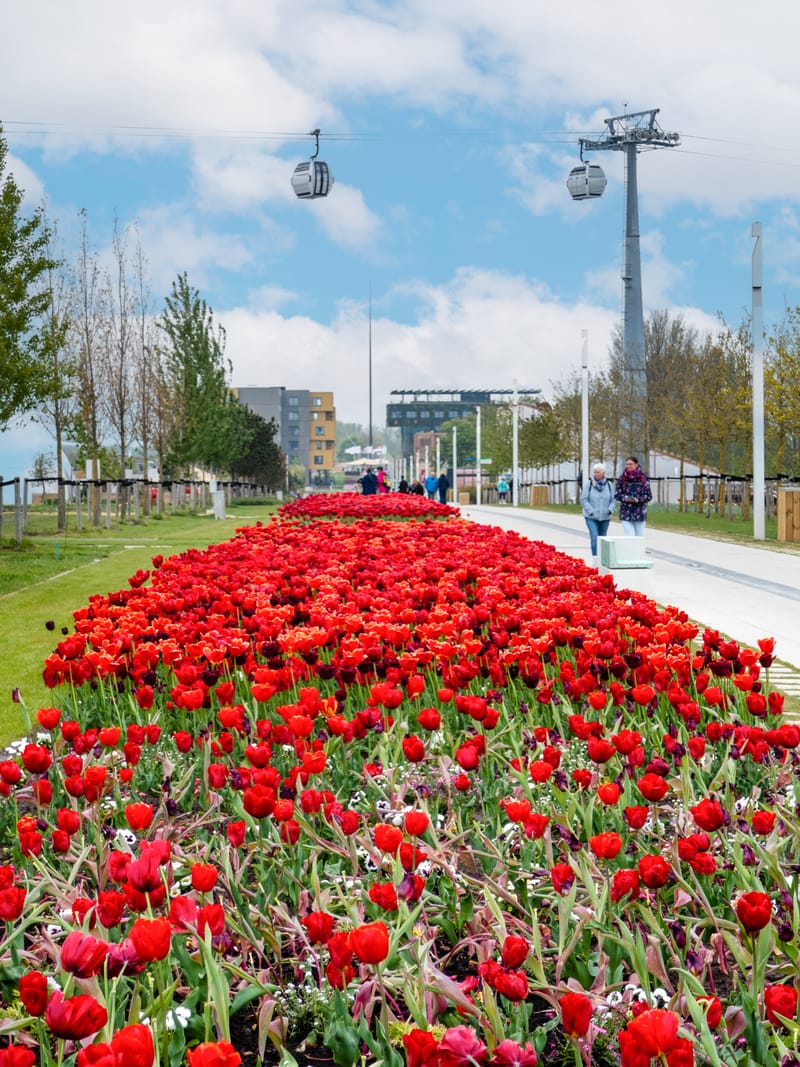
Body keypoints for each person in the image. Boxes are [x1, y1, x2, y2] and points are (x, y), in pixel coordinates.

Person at [580, 463, 615, 562]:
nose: (595, 474)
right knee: (595, 537)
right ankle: (596, 560)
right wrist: (590, 511)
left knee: (603, 539)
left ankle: (602, 560)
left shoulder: (608, 484)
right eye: (594, 472)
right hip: (591, 517)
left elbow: (613, 499)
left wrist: (610, 509)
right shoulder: (589, 484)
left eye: (598, 472)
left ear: (603, 473)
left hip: (605, 517)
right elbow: (583, 499)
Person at [614, 455, 652, 536]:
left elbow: (648, 495)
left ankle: (639, 549)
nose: (628, 466)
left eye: (630, 464)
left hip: (639, 513)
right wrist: (626, 498)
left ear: (636, 464)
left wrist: (638, 499)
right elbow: (617, 494)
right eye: (627, 464)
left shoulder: (643, 478)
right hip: (625, 512)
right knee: (629, 536)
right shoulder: (622, 479)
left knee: (639, 537)